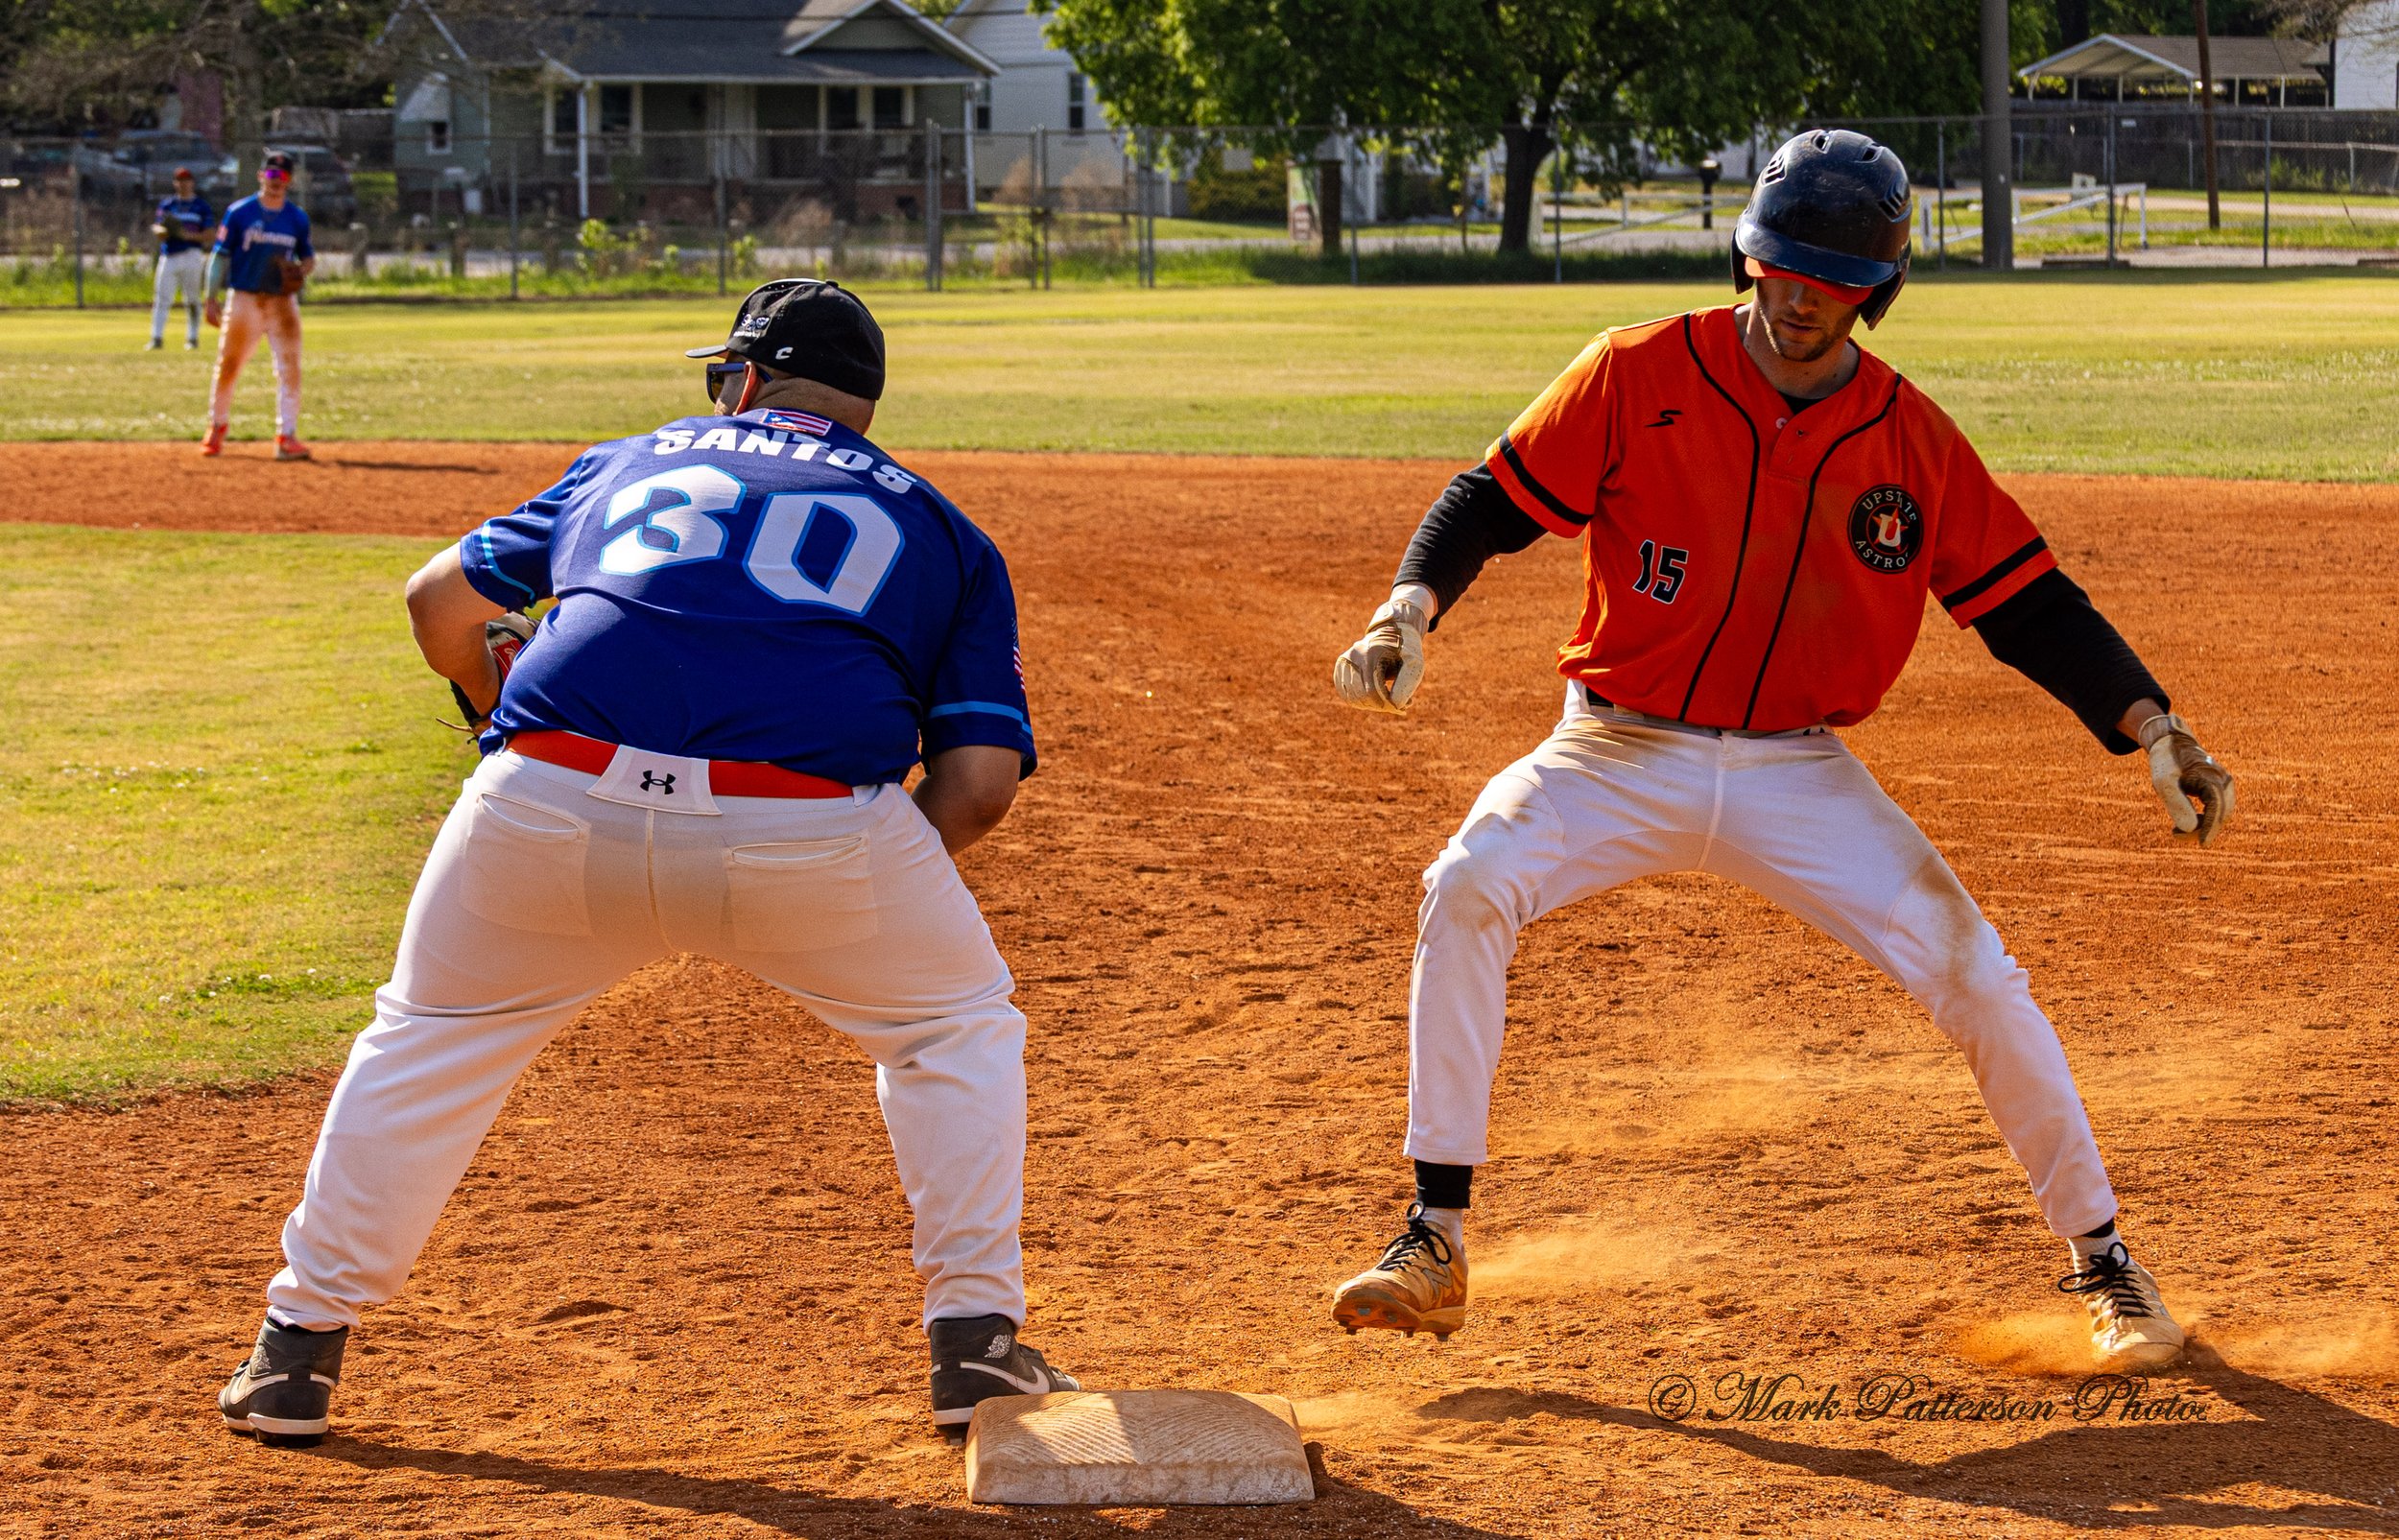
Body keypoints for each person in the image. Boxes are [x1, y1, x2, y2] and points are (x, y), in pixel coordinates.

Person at [1323, 130, 2235, 1370]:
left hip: (1798, 770)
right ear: (1749, 260)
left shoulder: (1908, 440)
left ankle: (2104, 1260)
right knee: (1468, 882)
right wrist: (1409, 606)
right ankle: (1433, 1236)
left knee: (1977, 975)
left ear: (1877, 291)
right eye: (1781, 267)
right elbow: (1488, 497)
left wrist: (2153, 723)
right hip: (1614, 749)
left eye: (1832, 278)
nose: (1800, 297)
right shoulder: (1639, 371)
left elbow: (2026, 602)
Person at [217, 279, 1078, 1445]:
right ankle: (975, 1347)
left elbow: (436, 602)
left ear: (748, 378)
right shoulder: (940, 528)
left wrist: (489, 713)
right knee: (952, 1030)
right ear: (860, 408)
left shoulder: (629, 460)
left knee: (429, 1040)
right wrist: (843, 879)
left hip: (547, 793)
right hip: (810, 821)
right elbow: (979, 787)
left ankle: (295, 1352)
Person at [202, 150, 315, 461]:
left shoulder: (296, 218)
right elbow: (220, 255)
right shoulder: (240, 212)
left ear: (290, 181)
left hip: (282, 302)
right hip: (245, 299)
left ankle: (286, 436)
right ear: (260, 176)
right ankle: (217, 427)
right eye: (271, 174)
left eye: (283, 176)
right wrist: (211, 296)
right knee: (230, 364)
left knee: (290, 368)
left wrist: (300, 271)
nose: (276, 181)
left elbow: (308, 258)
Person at [146, 167, 213, 351]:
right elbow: (158, 227)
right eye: (179, 180)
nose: (183, 184)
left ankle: (192, 338)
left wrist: (187, 235)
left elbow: (209, 234)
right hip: (170, 255)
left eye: (186, 180)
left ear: (192, 182)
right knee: (162, 297)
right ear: (175, 183)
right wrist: (162, 231)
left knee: (192, 298)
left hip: (192, 254)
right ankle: (156, 337)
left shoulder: (201, 206)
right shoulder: (168, 205)